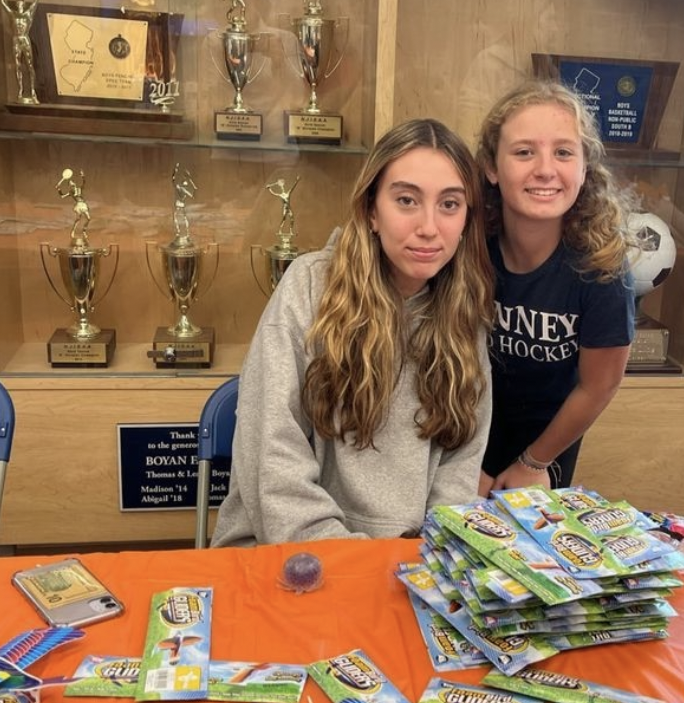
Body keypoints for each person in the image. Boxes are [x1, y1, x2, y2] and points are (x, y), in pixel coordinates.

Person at [211, 118, 495, 547]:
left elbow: (460, 468)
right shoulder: (309, 287)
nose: (429, 227)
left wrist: (432, 553)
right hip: (286, 548)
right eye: (406, 200)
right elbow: (272, 460)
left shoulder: (465, 313)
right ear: (371, 210)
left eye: (450, 204)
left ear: (466, 218)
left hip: (409, 559)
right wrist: (353, 560)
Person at [475, 80, 638, 495]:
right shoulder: (466, 245)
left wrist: (534, 461)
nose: (545, 169)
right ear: (492, 167)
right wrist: (462, 460)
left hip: (547, 446)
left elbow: (599, 384)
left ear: (584, 169)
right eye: (524, 152)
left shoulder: (602, 267)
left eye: (564, 152)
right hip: (457, 434)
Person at [1, 0, 38, 105]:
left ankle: (33, 91)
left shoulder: (27, 14)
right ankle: (20, 91)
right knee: (18, 66)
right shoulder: (13, 14)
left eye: (21, 3)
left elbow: (35, 3)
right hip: (16, 39)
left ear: (23, 4)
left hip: (25, 39)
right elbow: (3, 4)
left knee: (30, 66)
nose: (19, 5)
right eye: (18, 3)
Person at [55, 168, 90, 242]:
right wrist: (58, 189)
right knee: (78, 219)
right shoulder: (71, 192)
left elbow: (84, 183)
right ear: (70, 186)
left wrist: (83, 176)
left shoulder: (79, 189)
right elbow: (62, 196)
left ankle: (84, 231)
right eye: (71, 183)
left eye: (72, 182)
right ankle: (73, 231)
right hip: (78, 205)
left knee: (88, 218)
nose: (72, 183)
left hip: (83, 204)